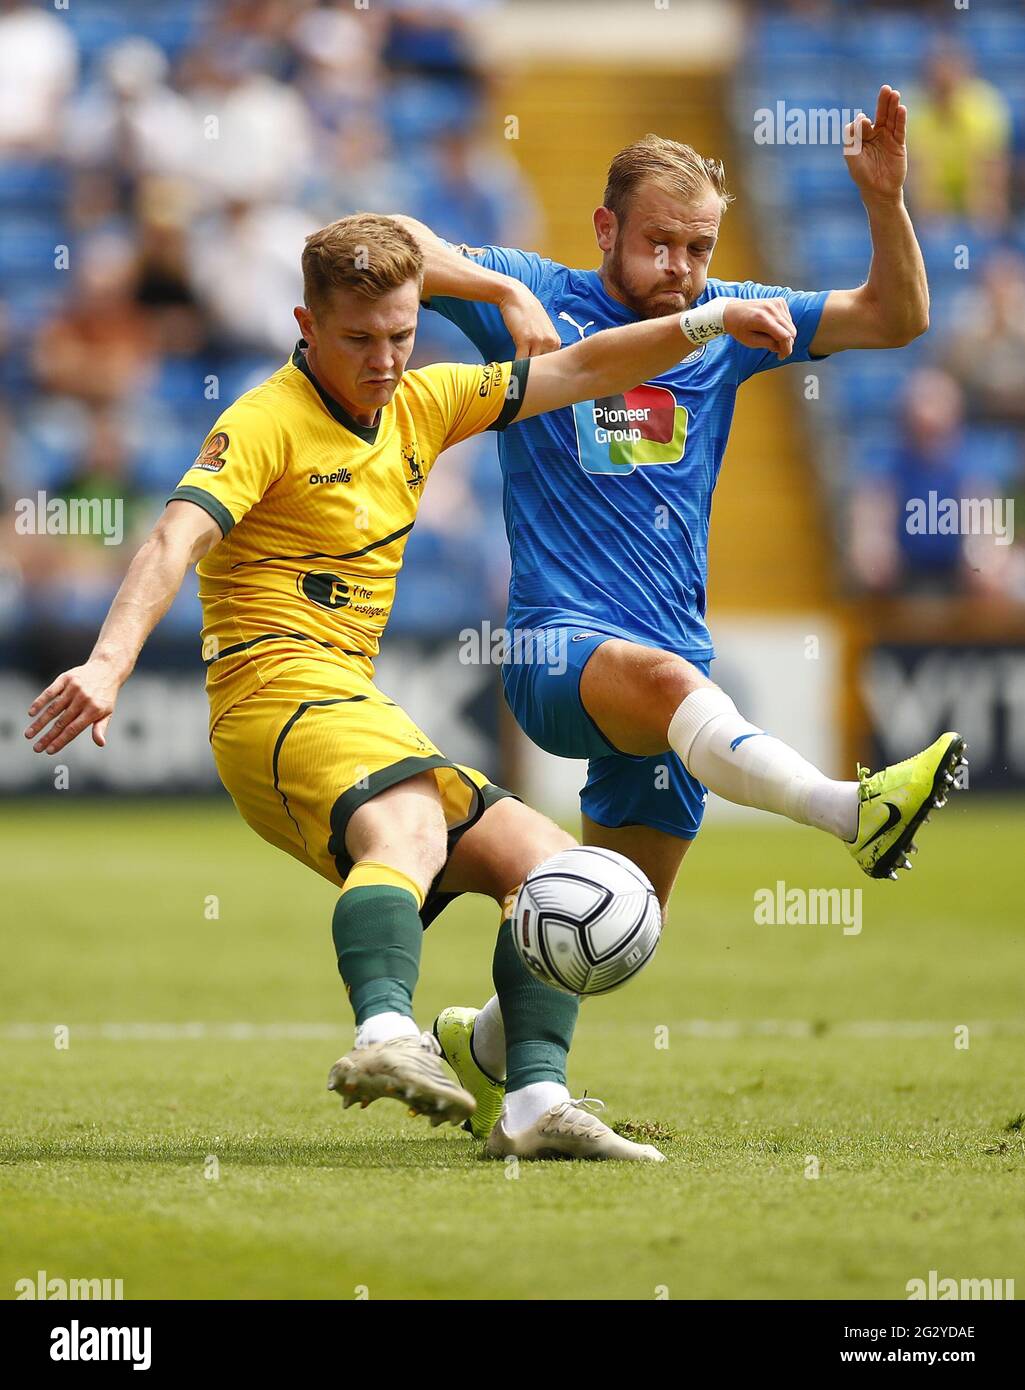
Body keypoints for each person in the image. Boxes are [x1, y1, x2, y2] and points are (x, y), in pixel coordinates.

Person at [24, 211, 807, 1162]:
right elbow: (173, 538)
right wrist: (109, 664)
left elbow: (589, 371)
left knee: (558, 870)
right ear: (306, 325)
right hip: (269, 698)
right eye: (358, 339)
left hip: (350, 699)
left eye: (401, 334)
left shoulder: (427, 401)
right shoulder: (265, 421)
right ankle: (386, 1034)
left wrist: (706, 324)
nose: (385, 359)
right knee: (411, 826)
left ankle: (530, 1104)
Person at [390, 86, 965, 928]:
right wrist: (499, 293)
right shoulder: (538, 295)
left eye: (698, 249)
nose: (680, 270)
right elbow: (390, 241)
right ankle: (852, 812)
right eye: (659, 244)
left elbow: (895, 317)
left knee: (613, 926)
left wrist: (883, 201)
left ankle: (480, 1047)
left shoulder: (727, 316)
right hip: (558, 647)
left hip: (673, 656)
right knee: (669, 683)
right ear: (604, 231)